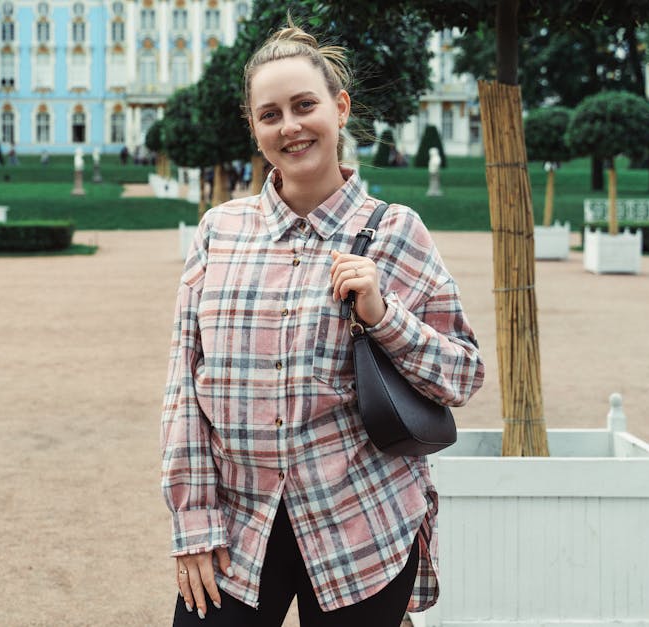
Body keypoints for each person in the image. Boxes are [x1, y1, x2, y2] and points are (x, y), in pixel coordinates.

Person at [161, 20, 484, 627]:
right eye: (270, 114)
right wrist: (193, 520)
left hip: (360, 522)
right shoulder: (218, 232)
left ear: (340, 108)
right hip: (237, 527)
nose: (290, 126)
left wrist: (384, 318)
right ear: (254, 128)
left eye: (304, 105)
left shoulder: (397, 232)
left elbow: (463, 376)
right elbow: (184, 387)